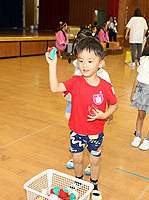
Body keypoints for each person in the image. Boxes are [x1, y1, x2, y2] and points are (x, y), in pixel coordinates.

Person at [46, 37, 118, 199]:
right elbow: (54, 88)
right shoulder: (75, 81)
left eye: (90, 61)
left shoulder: (105, 86)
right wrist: (52, 66)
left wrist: (105, 115)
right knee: (77, 159)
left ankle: (94, 184)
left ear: (101, 63)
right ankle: (78, 181)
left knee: (95, 160)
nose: (85, 65)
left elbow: (114, 104)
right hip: (77, 131)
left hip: (96, 133)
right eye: (81, 61)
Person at [65, 29, 113, 176]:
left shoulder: (103, 75)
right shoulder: (79, 67)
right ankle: (77, 154)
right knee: (71, 121)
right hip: (77, 102)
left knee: (93, 139)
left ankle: (92, 161)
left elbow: (110, 97)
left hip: (93, 107)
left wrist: (108, 115)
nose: (84, 63)